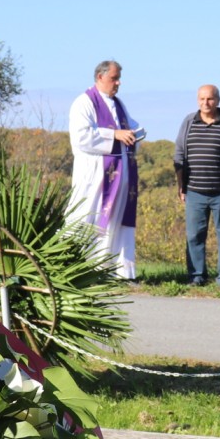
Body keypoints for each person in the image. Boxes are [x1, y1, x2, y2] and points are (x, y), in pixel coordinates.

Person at [67, 60, 141, 279]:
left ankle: (117, 272)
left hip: (120, 175)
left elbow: (131, 127)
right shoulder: (84, 102)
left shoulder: (118, 104)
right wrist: (114, 135)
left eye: (119, 78)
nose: (118, 83)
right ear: (100, 77)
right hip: (94, 178)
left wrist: (134, 134)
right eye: (114, 78)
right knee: (87, 219)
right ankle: (78, 268)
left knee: (117, 223)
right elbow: (81, 137)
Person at [173, 85, 220, 289]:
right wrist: (181, 185)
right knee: (194, 235)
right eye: (202, 99)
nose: (206, 103)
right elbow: (179, 154)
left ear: (218, 100)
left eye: (210, 99)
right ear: (197, 100)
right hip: (195, 191)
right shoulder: (189, 122)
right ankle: (196, 276)